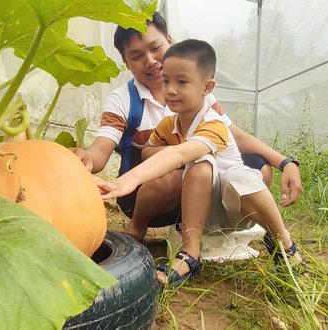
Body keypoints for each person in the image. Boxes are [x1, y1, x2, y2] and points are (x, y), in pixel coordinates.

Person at [72, 12, 302, 242]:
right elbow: (101, 149)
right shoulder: (123, 100)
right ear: (125, 61)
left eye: (155, 48)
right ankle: (137, 227)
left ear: (170, 42)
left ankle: (224, 229)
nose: (150, 60)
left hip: (198, 184)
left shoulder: (198, 92)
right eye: (136, 55)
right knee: (176, 175)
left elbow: (234, 136)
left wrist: (284, 162)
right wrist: (88, 157)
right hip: (145, 192)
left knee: (259, 169)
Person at [95, 39, 303, 286]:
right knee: (199, 166)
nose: (171, 89)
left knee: (230, 173)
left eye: (182, 82)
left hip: (235, 207)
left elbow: (179, 154)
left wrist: (128, 180)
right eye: (166, 81)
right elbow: (150, 151)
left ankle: (284, 242)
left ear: (207, 87)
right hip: (200, 205)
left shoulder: (213, 124)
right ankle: (189, 254)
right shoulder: (169, 123)